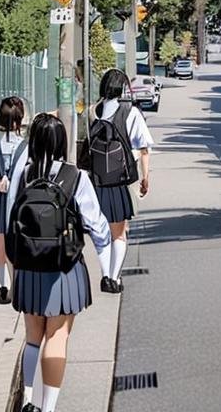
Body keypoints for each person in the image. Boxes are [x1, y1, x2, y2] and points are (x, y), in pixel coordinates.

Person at [6, 113, 110, 412]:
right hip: (64, 269)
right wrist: (106, 261)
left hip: (28, 267)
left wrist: (15, 267)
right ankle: (47, 407)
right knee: (57, 336)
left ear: (33, 143)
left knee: (32, 338)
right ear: (63, 142)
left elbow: (9, 220)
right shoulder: (75, 176)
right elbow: (96, 224)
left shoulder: (23, 174)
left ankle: (27, 400)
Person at [89, 68, 153, 293]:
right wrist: (146, 178)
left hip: (95, 183)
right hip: (119, 181)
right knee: (119, 233)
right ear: (122, 88)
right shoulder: (130, 112)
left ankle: (105, 274)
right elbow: (143, 148)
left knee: (101, 233)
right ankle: (113, 278)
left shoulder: (92, 111)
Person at [0, 94, 27, 303]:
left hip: (1, 204)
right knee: (19, 247)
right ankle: (19, 287)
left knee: (1, 249)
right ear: (19, 120)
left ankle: (4, 288)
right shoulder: (26, 147)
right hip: (21, 203)